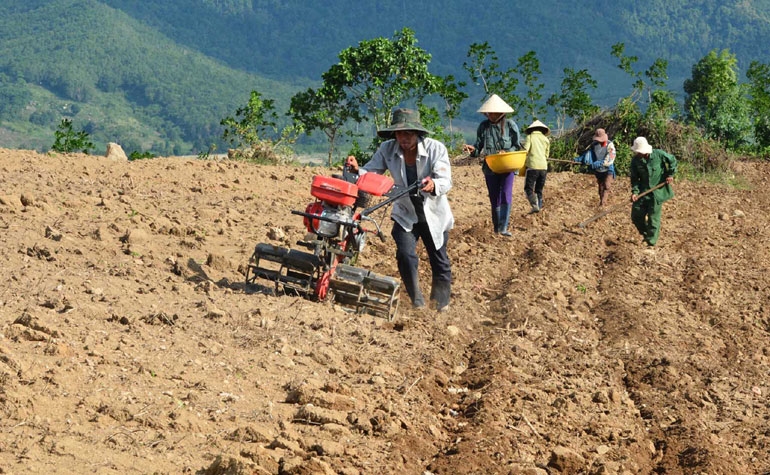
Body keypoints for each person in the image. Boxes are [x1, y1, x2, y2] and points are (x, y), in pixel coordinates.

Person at [346, 108, 454, 312]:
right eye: (400, 133)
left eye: (409, 133)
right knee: (405, 255)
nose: (404, 138)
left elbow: (445, 180)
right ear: (394, 134)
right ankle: (418, 302)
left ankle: (440, 306)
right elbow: (371, 172)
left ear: (418, 133)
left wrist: (434, 185)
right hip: (405, 213)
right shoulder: (387, 149)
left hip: (433, 215)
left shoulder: (435, 149)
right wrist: (356, 170)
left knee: (439, 261)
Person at [462, 94, 522, 237]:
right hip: (490, 167)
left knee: (506, 194)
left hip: (507, 166)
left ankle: (503, 227)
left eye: (494, 113)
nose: (492, 115)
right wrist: (472, 150)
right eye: (490, 113)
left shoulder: (510, 125)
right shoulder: (483, 127)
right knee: (494, 197)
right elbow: (478, 148)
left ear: (501, 113)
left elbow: (517, 146)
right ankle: (497, 228)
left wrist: (506, 152)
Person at [629, 136, 677, 247]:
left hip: (657, 191)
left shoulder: (658, 155)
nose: (638, 153)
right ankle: (646, 234)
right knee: (636, 215)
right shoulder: (635, 161)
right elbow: (635, 178)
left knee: (653, 218)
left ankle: (651, 242)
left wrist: (670, 174)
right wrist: (635, 192)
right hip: (643, 191)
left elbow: (672, 160)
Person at [573, 128, 616, 207]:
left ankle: (603, 204)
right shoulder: (594, 145)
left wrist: (600, 163)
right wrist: (578, 159)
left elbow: (610, 158)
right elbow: (587, 155)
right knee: (601, 188)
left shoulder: (610, 145)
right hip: (599, 171)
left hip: (608, 169)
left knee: (607, 185)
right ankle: (601, 201)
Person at [522, 119, 551, 213]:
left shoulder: (530, 137)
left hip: (532, 166)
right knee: (539, 189)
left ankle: (534, 205)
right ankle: (539, 207)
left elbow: (525, 151)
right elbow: (547, 155)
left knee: (528, 188)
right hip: (543, 167)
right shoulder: (546, 139)